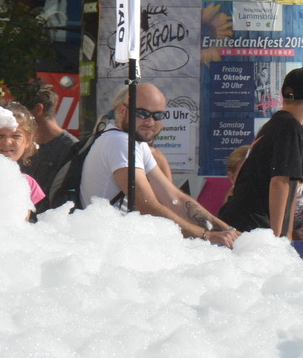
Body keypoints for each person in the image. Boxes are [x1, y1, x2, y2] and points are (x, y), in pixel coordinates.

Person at [78, 83, 237, 246]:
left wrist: (230, 231)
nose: (150, 121)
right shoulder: (120, 143)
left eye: (157, 116)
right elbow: (147, 207)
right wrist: (206, 236)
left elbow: (175, 199)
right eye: (142, 113)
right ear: (123, 111)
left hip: (116, 243)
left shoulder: (136, 144)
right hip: (106, 247)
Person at [218, 68, 303, 237]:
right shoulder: (290, 127)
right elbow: (280, 182)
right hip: (252, 226)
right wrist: (280, 236)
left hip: (242, 222)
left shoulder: (274, 125)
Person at [21, 78, 78, 195]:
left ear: (38, 109)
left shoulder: (72, 149)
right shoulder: (22, 145)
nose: (18, 119)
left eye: (22, 112)